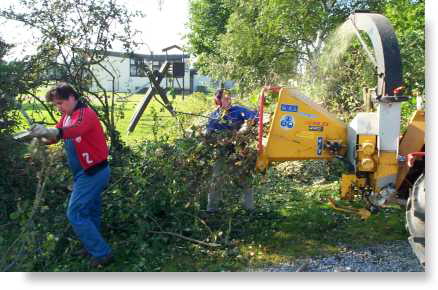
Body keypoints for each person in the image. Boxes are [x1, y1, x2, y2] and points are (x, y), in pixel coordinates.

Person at [29, 82, 113, 267]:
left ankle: (102, 253)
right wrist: (39, 136)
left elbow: (75, 130)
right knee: (90, 210)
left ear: (72, 97)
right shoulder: (66, 116)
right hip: (82, 172)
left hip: (94, 172)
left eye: (61, 103)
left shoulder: (85, 114)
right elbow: (56, 135)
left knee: (74, 212)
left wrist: (52, 131)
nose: (59, 107)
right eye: (56, 105)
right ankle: (92, 246)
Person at [204, 89, 258, 213]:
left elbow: (254, 117)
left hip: (238, 148)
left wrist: (243, 129)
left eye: (229, 97)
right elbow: (208, 133)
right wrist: (209, 136)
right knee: (216, 178)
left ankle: (249, 208)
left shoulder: (238, 110)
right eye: (225, 98)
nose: (228, 100)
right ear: (218, 100)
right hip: (221, 150)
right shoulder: (214, 115)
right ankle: (212, 209)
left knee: (245, 176)